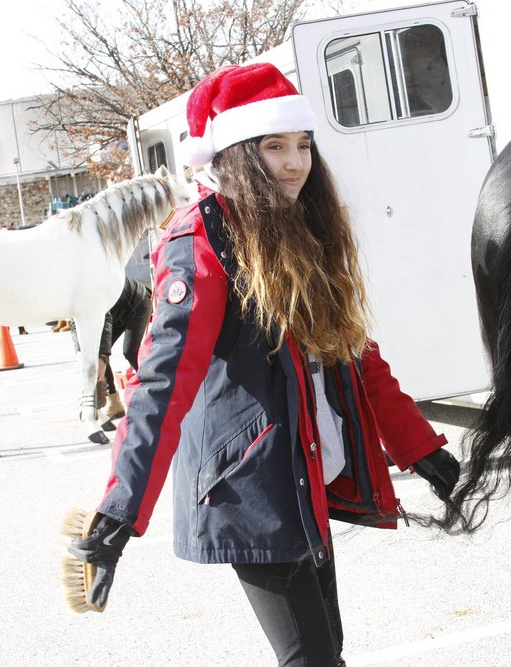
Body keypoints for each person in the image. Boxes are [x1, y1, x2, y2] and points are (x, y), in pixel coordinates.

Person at [64, 63, 460, 665]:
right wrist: (119, 512)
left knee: (327, 655)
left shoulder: (303, 226)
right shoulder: (202, 237)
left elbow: (351, 351)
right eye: (274, 147)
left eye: (302, 145)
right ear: (237, 153)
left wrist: (420, 448)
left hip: (304, 473)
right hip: (250, 486)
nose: (296, 162)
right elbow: (163, 385)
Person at [95, 276, 153, 420]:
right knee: (96, 351)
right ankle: (114, 403)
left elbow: (105, 319)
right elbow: (75, 328)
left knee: (130, 351)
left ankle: (156, 390)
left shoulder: (91, 286)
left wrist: (99, 374)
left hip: (138, 303)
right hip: (118, 311)